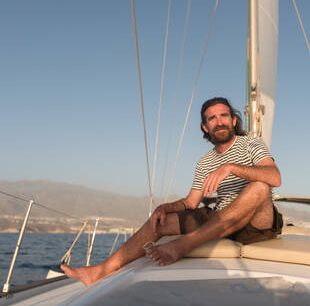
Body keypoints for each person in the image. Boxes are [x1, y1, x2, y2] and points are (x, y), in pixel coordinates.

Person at [62, 97, 283, 286]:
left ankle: (183, 245)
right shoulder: (205, 162)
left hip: (256, 223)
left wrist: (230, 168)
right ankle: (98, 271)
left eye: (224, 116)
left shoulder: (252, 145)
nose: (219, 122)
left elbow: (275, 177)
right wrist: (166, 207)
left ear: (234, 121)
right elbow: (191, 202)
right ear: (205, 127)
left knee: (260, 187)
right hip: (220, 218)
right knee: (160, 220)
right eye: (212, 118)